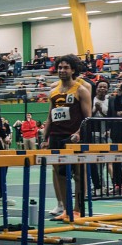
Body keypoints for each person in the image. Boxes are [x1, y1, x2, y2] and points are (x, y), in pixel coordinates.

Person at [42, 55, 91, 219]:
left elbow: (87, 118)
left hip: (73, 139)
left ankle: (77, 209)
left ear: (73, 70)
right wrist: (44, 138)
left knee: (78, 175)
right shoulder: (53, 92)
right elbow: (50, 117)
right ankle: (66, 209)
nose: (62, 71)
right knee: (60, 174)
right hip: (56, 137)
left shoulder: (81, 90)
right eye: (60, 68)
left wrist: (78, 133)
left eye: (66, 68)